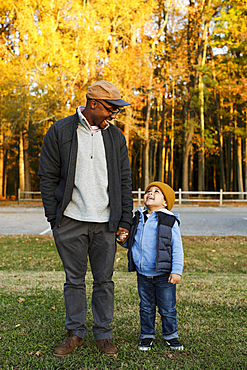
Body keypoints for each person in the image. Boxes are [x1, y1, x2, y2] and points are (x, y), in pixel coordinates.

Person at [38, 80, 133, 357]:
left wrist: (125, 220)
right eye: (110, 108)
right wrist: (53, 216)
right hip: (70, 221)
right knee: (74, 280)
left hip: (106, 222)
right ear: (93, 104)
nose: (114, 114)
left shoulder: (116, 138)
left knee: (104, 280)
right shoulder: (60, 131)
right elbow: (47, 175)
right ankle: (75, 334)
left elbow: (124, 180)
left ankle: (103, 336)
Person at [124, 181, 184, 351]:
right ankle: (147, 336)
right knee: (146, 307)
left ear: (165, 202)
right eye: (148, 191)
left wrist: (176, 271)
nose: (150, 193)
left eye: (157, 192)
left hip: (164, 274)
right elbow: (133, 242)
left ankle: (171, 335)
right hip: (143, 274)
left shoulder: (169, 220)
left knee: (167, 308)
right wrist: (122, 240)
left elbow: (177, 248)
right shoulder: (138, 218)